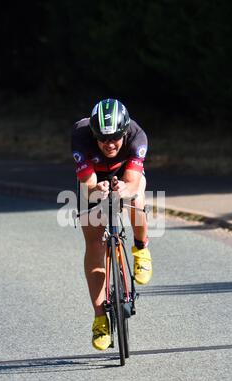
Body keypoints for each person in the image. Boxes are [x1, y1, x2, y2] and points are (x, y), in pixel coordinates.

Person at [71, 98, 152, 351]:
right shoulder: (80, 136)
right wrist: (99, 189)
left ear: (125, 131)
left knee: (136, 203)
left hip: (126, 175)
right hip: (95, 178)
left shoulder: (138, 137)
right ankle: (99, 319)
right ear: (93, 133)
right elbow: (88, 184)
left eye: (115, 137)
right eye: (102, 138)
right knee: (93, 239)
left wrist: (122, 190)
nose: (109, 144)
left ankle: (140, 248)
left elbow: (132, 181)